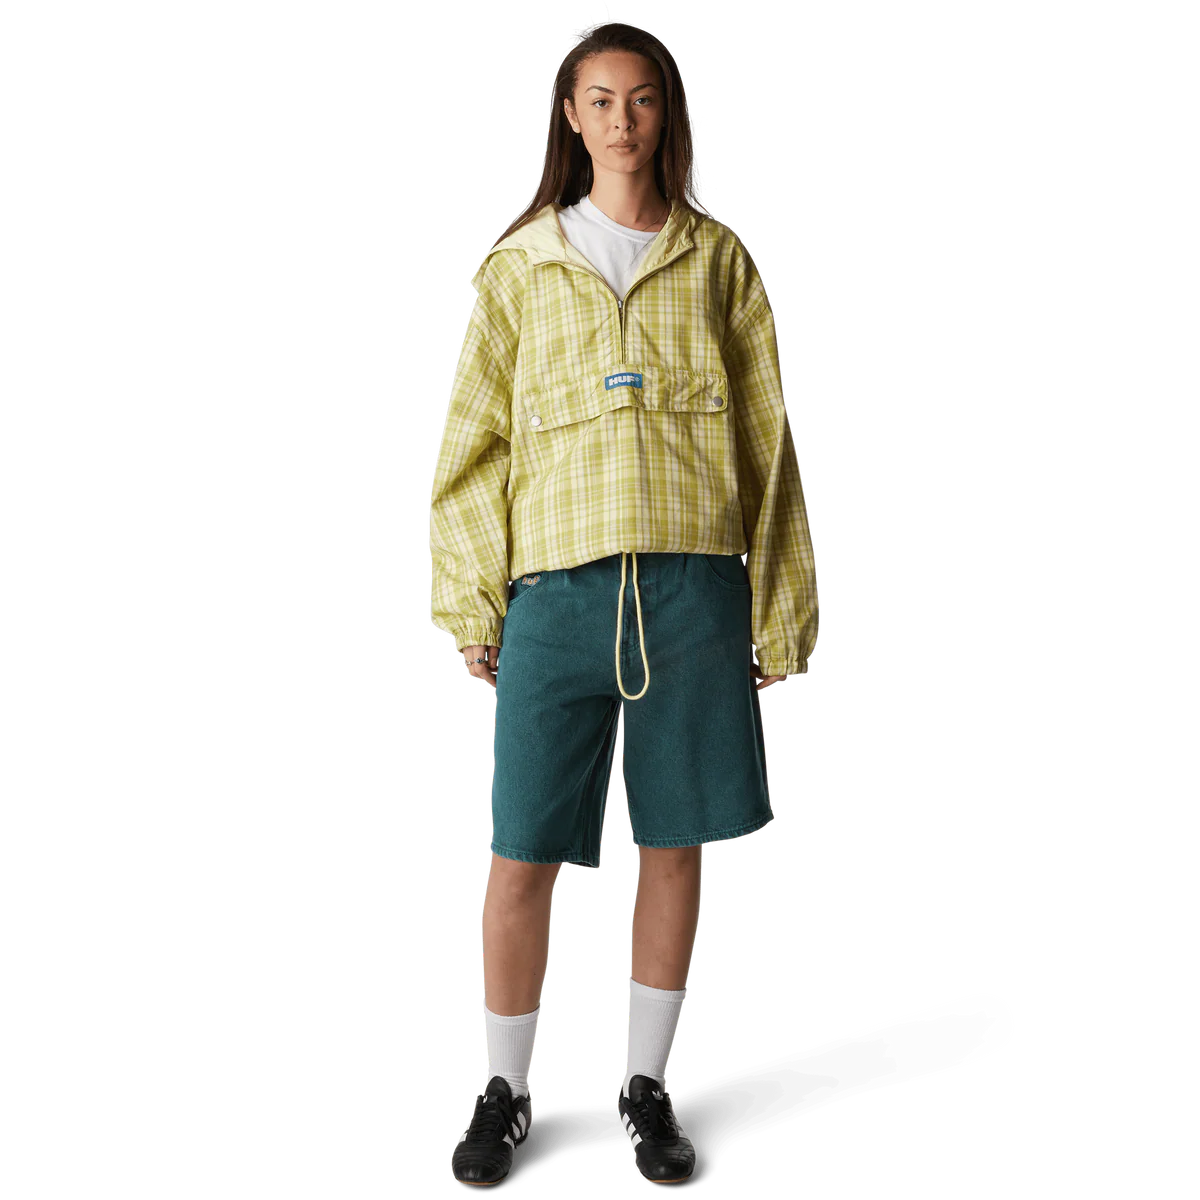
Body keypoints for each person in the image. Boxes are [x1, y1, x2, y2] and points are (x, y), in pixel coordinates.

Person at [430, 21, 819, 1187]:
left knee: (674, 846)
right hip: (555, 591)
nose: (621, 121)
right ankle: (503, 1088)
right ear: (571, 116)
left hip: (695, 586)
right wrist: (472, 598)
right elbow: (471, 448)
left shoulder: (719, 261)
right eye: (599, 100)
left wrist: (778, 614)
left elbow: (769, 448)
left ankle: (646, 1089)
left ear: (667, 115)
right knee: (519, 855)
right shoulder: (517, 267)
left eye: (641, 99)